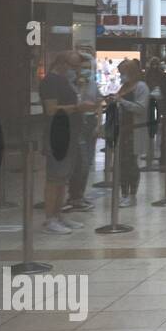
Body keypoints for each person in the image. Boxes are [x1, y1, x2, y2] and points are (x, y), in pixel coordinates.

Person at [39, 51, 96, 234]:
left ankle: (58, 215)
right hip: (58, 134)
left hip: (72, 133)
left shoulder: (65, 81)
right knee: (55, 178)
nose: (77, 70)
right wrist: (77, 108)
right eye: (74, 67)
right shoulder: (50, 81)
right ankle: (50, 218)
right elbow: (51, 109)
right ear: (62, 63)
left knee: (63, 177)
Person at [63, 51, 100, 213]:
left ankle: (80, 194)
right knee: (79, 162)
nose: (86, 70)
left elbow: (97, 102)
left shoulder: (92, 82)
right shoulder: (69, 83)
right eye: (82, 67)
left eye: (88, 67)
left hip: (90, 122)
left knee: (87, 162)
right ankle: (73, 196)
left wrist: (99, 124)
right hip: (76, 123)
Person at [113, 58, 150, 209]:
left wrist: (122, 101)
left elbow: (141, 108)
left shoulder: (141, 87)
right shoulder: (124, 87)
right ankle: (124, 194)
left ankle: (132, 194)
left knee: (131, 163)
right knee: (121, 163)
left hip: (134, 130)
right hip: (122, 130)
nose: (121, 75)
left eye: (123, 72)